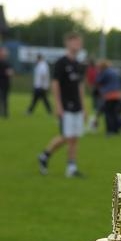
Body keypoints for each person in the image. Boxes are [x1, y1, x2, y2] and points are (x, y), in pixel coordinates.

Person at [38, 31, 85, 178]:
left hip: (77, 106)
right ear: (68, 43)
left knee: (74, 137)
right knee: (67, 136)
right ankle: (47, 156)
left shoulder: (78, 64)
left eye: (79, 42)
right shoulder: (61, 63)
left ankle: (69, 166)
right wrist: (58, 105)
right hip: (66, 106)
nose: (78, 45)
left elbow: (80, 87)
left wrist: (83, 107)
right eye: (75, 41)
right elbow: (55, 84)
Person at [96, 60, 121, 134]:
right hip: (118, 94)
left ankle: (110, 130)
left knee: (108, 113)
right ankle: (120, 127)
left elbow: (98, 81)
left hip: (109, 95)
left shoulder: (105, 72)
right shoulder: (116, 72)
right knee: (115, 113)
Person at [0, 46, 13, 118]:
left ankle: (4, 112)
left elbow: (10, 73)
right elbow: (10, 73)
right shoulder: (7, 63)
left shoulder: (7, 63)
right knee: (4, 98)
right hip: (4, 82)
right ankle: (5, 113)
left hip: (4, 83)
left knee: (4, 98)